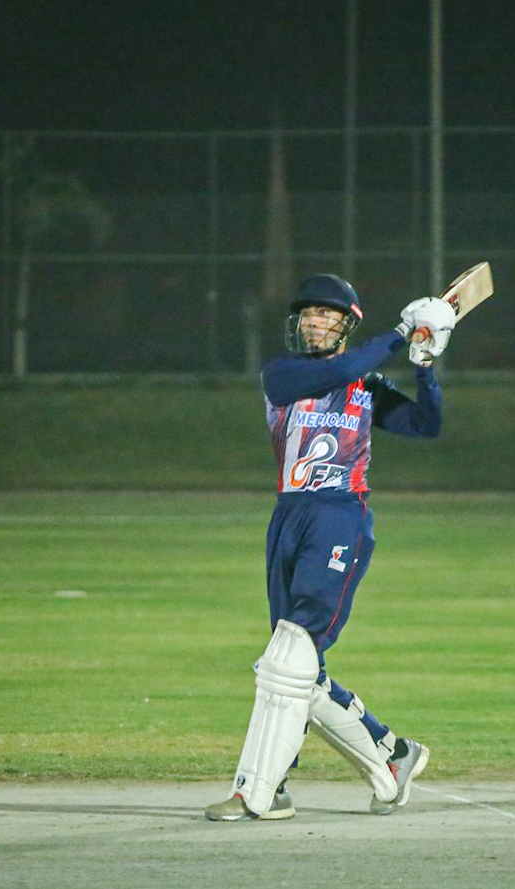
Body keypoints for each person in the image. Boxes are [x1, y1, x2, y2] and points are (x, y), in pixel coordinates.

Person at [205, 273, 457, 822]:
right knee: (299, 669)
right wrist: (401, 333)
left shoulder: (364, 385)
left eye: (327, 314)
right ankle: (391, 756)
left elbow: (425, 425)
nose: (314, 323)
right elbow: (340, 371)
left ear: (346, 324)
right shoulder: (283, 373)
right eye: (308, 315)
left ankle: (260, 792)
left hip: (340, 515)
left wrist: (424, 364)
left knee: (289, 656)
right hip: (289, 517)